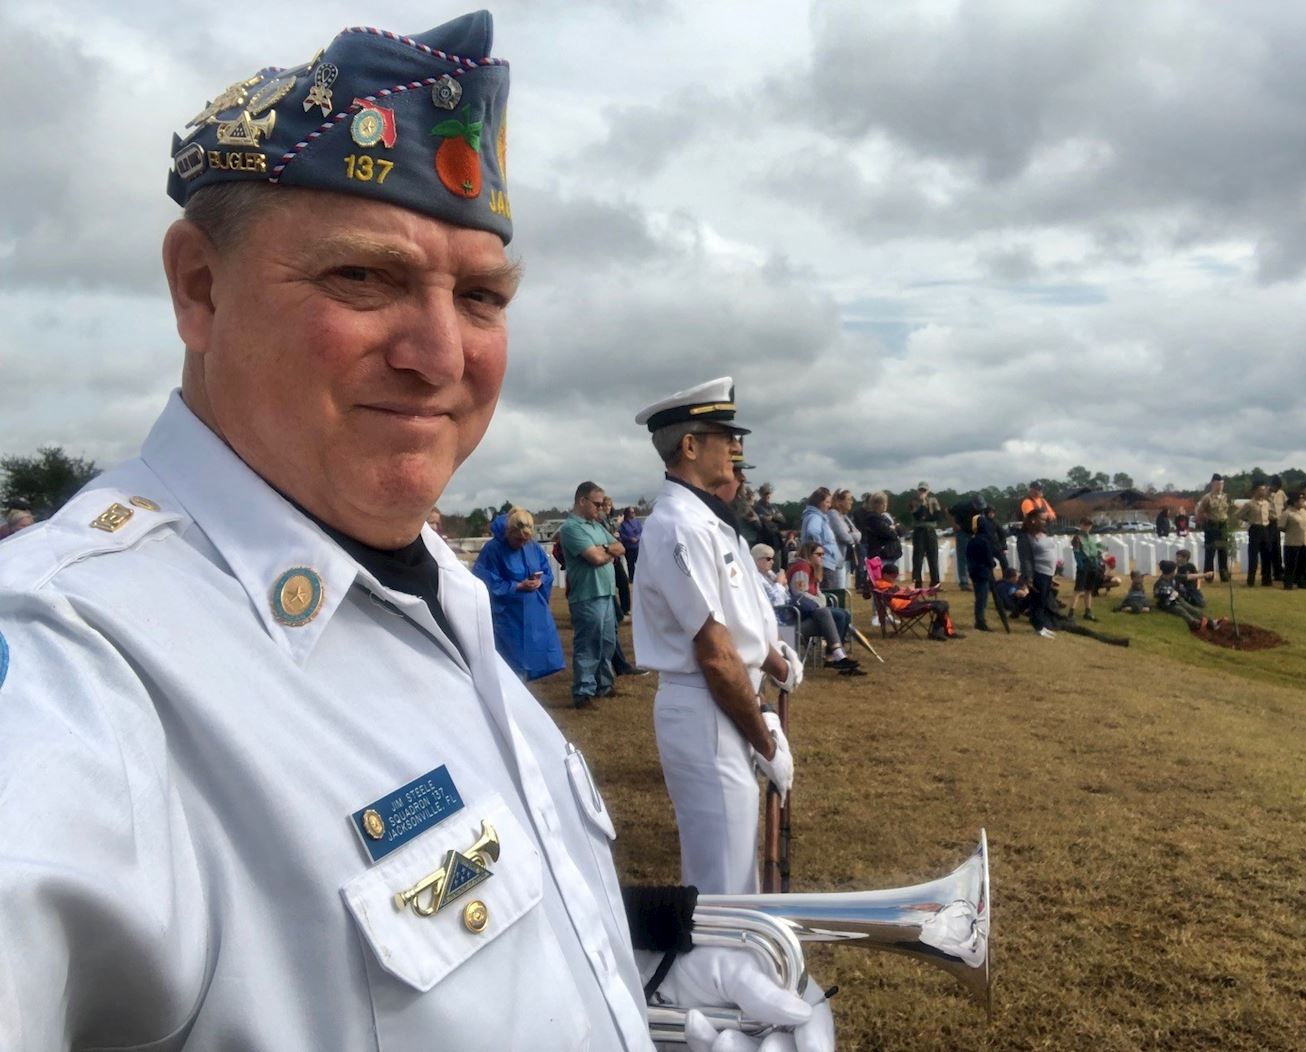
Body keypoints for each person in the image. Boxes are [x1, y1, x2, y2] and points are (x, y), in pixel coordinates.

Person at [0, 15, 837, 1048]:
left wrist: (647, 997)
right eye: (364, 278)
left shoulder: (431, 581)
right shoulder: (72, 662)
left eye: (480, 295)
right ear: (199, 287)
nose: (439, 354)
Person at [631, 378, 802, 896]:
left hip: (724, 705)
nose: (735, 448)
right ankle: (717, 977)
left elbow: (735, 624)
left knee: (736, 870)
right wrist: (765, 741)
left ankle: (737, 971)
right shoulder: (681, 526)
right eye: (723, 436)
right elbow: (716, 656)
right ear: (689, 446)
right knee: (721, 886)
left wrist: (773, 662)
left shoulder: (705, 520)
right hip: (708, 707)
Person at [472, 508, 566, 680]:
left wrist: (540, 581)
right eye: (517, 539)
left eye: (525, 540)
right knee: (510, 665)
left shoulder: (533, 547)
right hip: (507, 616)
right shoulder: (493, 550)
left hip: (533, 612)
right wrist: (516, 586)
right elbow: (484, 581)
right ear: (509, 532)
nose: (521, 544)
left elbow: (546, 572)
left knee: (532, 657)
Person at [560, 481, 624, 707]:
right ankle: (583, 691)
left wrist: (604, 550)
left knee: (607, 641)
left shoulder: (596, 526)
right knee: (588, 643)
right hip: (587, 595)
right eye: (597, 503)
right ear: (582, 501)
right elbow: (595, 558)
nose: (601, 507)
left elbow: (620, 547)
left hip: (605, 593)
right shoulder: (571, 528)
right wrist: (607, 551)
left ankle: (603, 685)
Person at [786, 541, 861, 673]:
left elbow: (818, 593)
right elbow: (799, 594)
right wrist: (820, 603)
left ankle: (834, 656)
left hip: (810, 614)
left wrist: (820, 602)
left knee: (843, 614)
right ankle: (837, 656)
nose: (822, 557)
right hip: (797, 619)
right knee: (827, 613)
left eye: (823, 554)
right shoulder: (801, 568)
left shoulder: (812, 568)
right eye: (819, 554)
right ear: (809, 554)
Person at [799, 487, 843, 601]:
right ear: (819, 502)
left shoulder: (816, 517)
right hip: (825, 564)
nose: (829, 505)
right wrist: (821, 552)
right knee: (828, 596)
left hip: (825, 563)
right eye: (827, 502)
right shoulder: (816, 517)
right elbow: (812, 531)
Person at [1021, 508, 1059, 638]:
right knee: (1038, 600)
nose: (1044, 522)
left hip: (1048, 572)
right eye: (1042, 519)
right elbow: (1025, 559)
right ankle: (1038, 627)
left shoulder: (1043, 534)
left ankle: (1041, 625)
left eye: (1045, 519)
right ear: (1033, 520)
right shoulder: (1026, 537)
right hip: (1037, 572)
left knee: (1043, 600)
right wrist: (1029, 577)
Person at [1153, 560, 1222, 631]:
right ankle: (1196, 624)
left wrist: (1204, 575)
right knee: (1182, 611)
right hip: (1168, 605)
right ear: (1171, 572)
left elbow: (1190, 576)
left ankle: (1211, 622)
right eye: (1175, 569)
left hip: (1177, 599)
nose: (1177, 570)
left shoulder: (1175, 577)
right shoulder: (1160, 584)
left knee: (1193, 610)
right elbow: (1159, 597)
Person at [1194, 474, 1233, 582]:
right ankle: (1209, 576)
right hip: (1212, 526)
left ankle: (1224, 575)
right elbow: (1200, 511)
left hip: (1223, 526)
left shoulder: (1226, 497)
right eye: (1217, 484)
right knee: (1210, 551)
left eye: (1221, 484)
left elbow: (1230, 510)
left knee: (1223, 551)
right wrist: (1205, 519)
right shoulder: (1208, 497)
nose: (1220, 486)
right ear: (1212, 484)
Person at [827, 488, 861, 600]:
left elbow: (859, 534)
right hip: (837, 560)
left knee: (844, 589)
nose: (851, 502)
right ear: (840, 501)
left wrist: (853, 535)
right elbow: (845, 537)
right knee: (838, 591)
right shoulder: (833, 515)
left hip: (846, 559)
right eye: (849, 499)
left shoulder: (845, 517)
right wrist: (853, 535)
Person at [1068, 517, 1104, 621]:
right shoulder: (1077, 538)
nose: (1087, 527)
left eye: (1089, 525)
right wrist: (1081, 564)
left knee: (1089, 590)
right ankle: (1071, 613)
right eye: (1085, 524)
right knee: (1078, 590)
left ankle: (1088, 612)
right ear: (1081, 525)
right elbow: (1076, 552)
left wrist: (1097, 562)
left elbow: (1097, 550)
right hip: (1083, 565)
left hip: (1093, 566)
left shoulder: (1091, 538)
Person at [909, 482, 943, 588]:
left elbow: (937, 515)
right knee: (918, 558)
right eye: (921, 490)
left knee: (933, 557)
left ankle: (935, 582)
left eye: (924, 490)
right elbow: (918, 515)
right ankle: (917, 582)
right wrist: (923, 504)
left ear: (928, 491)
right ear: (918, 490)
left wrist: (926, 516)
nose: (922, 492)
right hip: (919, 531)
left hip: (930, 530)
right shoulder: (914, 501)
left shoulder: (933, 501)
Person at [1241, 483, 1274, 587]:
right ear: (1255, 491)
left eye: (1264, 490)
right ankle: (1251, 580)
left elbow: (1271, 514)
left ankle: (1266, 579)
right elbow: (1239, 514)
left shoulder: (1266, 503)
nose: (1263, 492)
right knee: (1253, 556)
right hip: (1255, 528)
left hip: (1265, 528)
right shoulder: (1250, 504)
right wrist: (1249, 520)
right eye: (1261, 490)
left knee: (1267, 555)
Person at [618, 504, 644, 581]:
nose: (633, 513)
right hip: (628, 547)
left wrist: (637, 538)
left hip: (637, 547)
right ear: (628, 513)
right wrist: (630, 539)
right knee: (630, 564)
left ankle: (641, 578)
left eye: (634, 512)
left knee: (640, 563)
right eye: (632, 512)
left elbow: (641, 531)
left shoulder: (637, 522)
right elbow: (621, 535)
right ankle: (632, 580)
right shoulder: (623, 524)